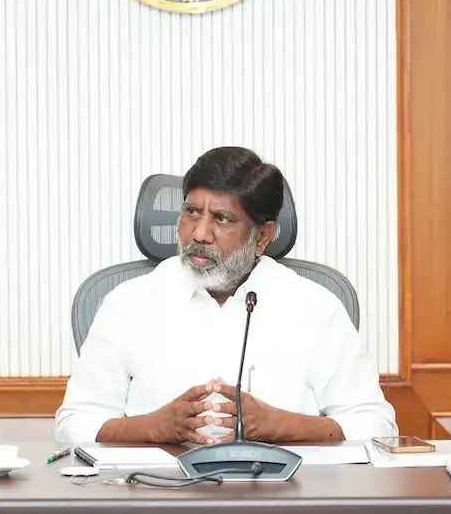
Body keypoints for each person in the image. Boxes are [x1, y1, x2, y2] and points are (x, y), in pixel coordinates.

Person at [55, 147, 397, 445]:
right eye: (191, 212)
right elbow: (74, 423)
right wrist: (155, 427)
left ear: (263, 237)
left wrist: (280, 426)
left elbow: (376, 424)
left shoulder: (314, 307)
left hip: (281, 489)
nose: (200, 234)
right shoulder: (128, 304)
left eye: (222, 218)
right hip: (158, 487)